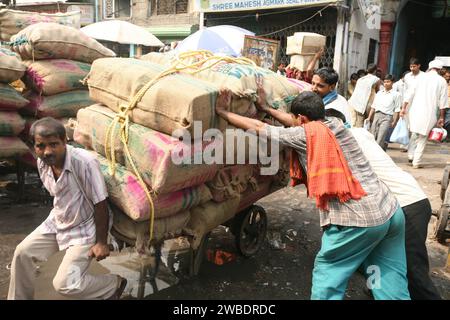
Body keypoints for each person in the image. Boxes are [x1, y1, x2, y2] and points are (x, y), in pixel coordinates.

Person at [215, 83, 410, 300]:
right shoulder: (335, 123)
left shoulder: (304, 136)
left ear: (303, 119)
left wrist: (224, 112)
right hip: (391, 211)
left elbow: (260, 128)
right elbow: (295, 123)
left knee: (329, 272)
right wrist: (267, 108)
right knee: (388, 274)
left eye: (298, 120)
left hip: (359, 219)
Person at [325, 109, 442, 300]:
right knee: (375, 255)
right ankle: (375, 289)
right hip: (395, 204)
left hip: (407, 203)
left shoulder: (345, 141)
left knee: (414, 271)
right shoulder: (360, 132)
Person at [7, 118, 127, 300]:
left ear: (65, 141)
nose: (47, 151)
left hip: (85, 229)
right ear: (34, 146)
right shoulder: (42, 162)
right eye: (41, 146)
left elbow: (100, 203)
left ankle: (113, 284)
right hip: (58, 220)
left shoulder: (84, 163)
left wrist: (101, 242)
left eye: (54, 144)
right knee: (22, 253)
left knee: (65, 284)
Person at [401, 59, 449, 169]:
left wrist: (404, 108)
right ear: (440, 69)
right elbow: (443, 102)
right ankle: (416, 162)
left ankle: (411, 155)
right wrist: (441, 117)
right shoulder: (441, 81)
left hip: (414, 110)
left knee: (414, 133)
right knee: (423, 137)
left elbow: (409, 93)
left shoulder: (421, 77)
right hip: (429, 113)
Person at [367, 74, 402, 150]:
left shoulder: (396, 95)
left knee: (380, 138)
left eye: (388, 82)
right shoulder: (379, 93)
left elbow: (397, 109)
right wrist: (369, 117)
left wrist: (394, 121)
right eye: (385, 82)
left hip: (387, 117)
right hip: (376, 115)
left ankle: (377, 155)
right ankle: (382, 148)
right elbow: (373, 106)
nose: (386, 83)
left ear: (392, 82)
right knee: (373, 136)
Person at [348, 63, 382, 128]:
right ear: (375, 71)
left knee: (357, 124)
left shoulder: (360, 79)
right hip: (369, 105)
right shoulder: (376, 79)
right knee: (368, 124)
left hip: (356, 104)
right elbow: (378, 92)